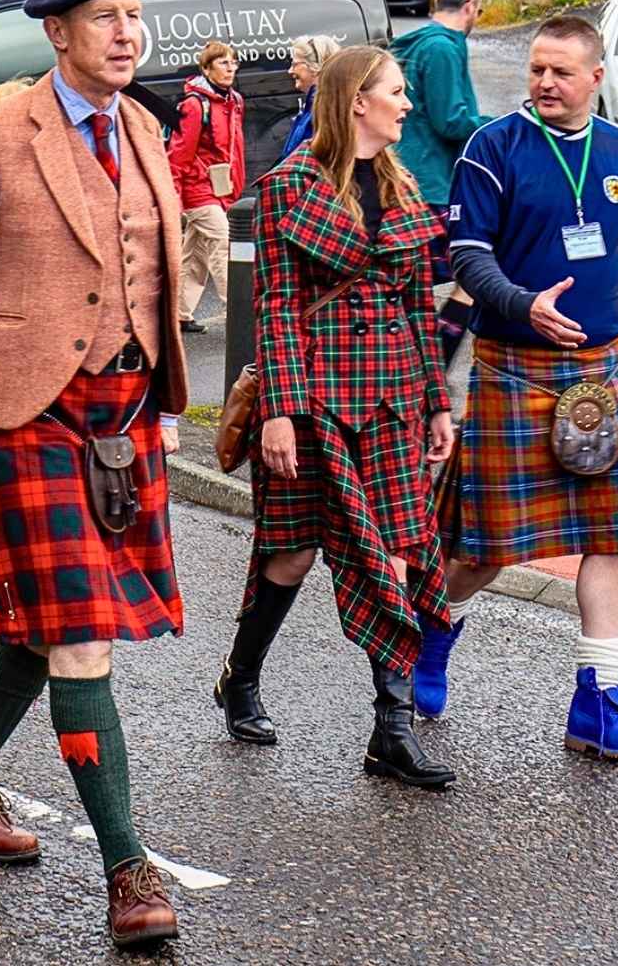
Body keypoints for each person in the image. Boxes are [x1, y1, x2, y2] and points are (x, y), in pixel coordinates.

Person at [0, 0, 185, 948]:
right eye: (107, 18)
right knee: (78, 632)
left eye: (134, 16)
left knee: (37, 626)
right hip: (26, 415)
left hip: (124, 413)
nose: (127, 33)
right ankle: (127, 868)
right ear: (59, 32)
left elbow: (152, 266)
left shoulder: (144, 126)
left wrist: (163, 379)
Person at [440, 15, 618, 758]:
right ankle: (433, 630)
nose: (545, 82)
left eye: (561, 72)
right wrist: (524, 305)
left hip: (605, 371)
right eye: (537, 69)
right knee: (484, 550)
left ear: (595, 78)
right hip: (515, 368)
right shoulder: (492, 149)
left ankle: (599, 702)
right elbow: (468, 258)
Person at [220, 43, 458, 790]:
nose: (407, 103)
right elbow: (277, 310)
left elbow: (419, 308)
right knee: (291, 553)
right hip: (315, 398)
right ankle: (240, 677)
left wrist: (436, 402)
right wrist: (279, 414)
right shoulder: (289, 187)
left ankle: (391, 731)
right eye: (396, 91)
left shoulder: (402, 186)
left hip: (390, 399)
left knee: (398, 552)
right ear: (358, 101)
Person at [391, 0, 487, 356]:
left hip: (411, 180)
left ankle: (416, 368)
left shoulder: (417, 42)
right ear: (471, 6)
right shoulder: (443, 49)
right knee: (473, 274)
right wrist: (500, 125)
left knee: (411, 288)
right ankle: (430, 366)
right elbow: (451, 121)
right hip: (432, 186)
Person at [166, 38, 244, 331]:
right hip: (197, 189)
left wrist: (234, 186)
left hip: (218, 188)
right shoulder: (195, 105)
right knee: (223, 244)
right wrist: (175, 198)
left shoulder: (234, 101)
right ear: (207, 69)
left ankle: (179, 313)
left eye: (233, 62)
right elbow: (179, 154)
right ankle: (240, 314)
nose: (230, 68)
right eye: (223, 62)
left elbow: (235, 149)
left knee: (195, 253)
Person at [280, 33, 341, 161]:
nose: (290, 71)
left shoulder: (326, 110)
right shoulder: (314, 106)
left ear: (316, 66)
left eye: (294, 64)